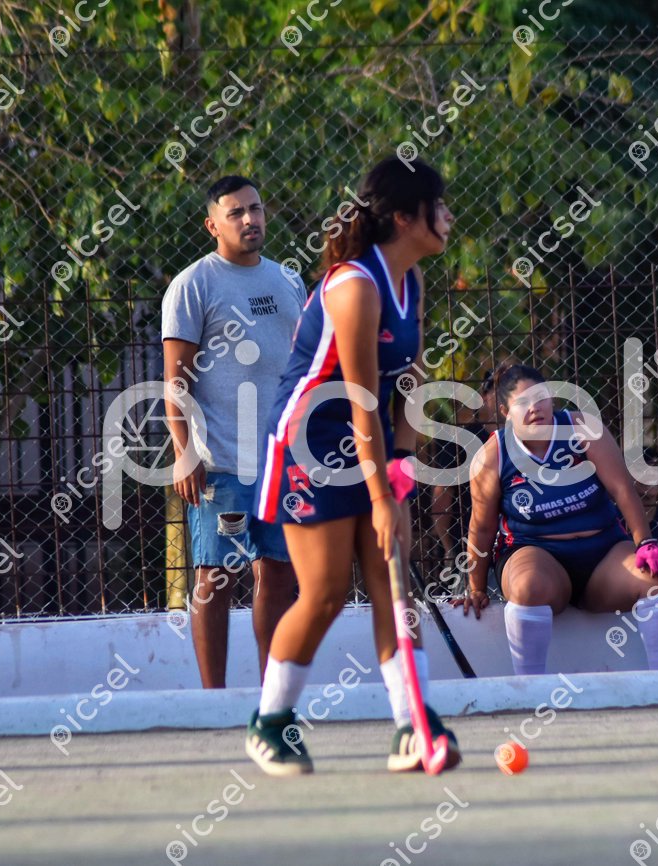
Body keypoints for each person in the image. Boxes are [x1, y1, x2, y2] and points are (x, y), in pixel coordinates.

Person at [248, 157, 460, 776]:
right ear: (405, 217)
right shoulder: (355, 287)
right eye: (437, 206)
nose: (448, 216)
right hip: (310, 442)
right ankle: (270, 723)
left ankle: (412, 726)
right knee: (325, 592)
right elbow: (363, 399)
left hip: (369, 443)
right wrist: (381, 499)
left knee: (394, 585)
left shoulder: (410, 281)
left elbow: (409, 384)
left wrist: (404, 465)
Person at [162, 175, 305, 689]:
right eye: (236, 213)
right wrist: (184, 454)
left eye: (256, 208)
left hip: (284, 462)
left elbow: (301, 366)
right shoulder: (193, 285)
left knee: (279, 573)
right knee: (215, 577)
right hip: (221, 464)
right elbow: (175, 382)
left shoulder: (289, 280)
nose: (250, 219)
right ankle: (213, 700)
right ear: (212, 225)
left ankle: (273, 694)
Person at [454, 363, 658, 675]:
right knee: (528, 586)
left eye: (541, 398)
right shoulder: (492, 455)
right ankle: (530, 689)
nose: (535, 408)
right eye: (523, 403)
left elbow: (622, 488)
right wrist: (476, 588)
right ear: (505, 412)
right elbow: (481, 528)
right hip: (536, 554)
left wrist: (645, 542)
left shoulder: (581, 428)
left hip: (603, 553)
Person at [430, 370, 497, 572]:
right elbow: (441, 501)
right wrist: (450, 549)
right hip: (470, 545)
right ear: (484, 396)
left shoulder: (536, 439)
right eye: (501, 387)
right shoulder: (459, 442)